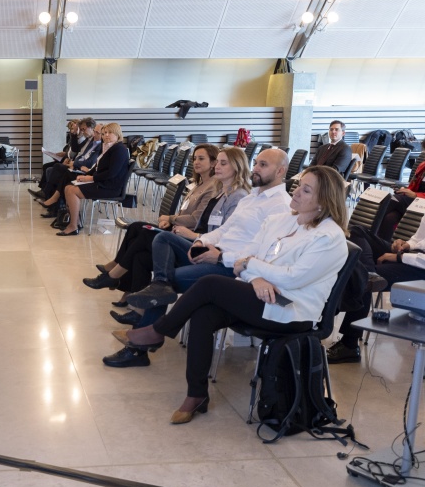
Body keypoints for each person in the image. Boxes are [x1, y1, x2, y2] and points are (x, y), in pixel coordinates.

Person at [119, 166, 349, 423]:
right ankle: (196, 395)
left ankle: (158, 330)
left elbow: (292, 277)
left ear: (324, 201)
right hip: (259, 293)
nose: (296, 192)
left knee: (210, 283)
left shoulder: (330, 238)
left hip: (290, 309)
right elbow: (243, 259)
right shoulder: (281, 220)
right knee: (204, 314)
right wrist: (256, 274)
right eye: (299, 185)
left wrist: (252, 266)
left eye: (306, 190)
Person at [103, 147, 290, 367]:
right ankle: (157, 287)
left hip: (230, 265)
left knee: (169, 279)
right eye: (256, 162)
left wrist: (220, 256)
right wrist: (203, 241)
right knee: (162, 240)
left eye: (263, 165)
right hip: (212, 250)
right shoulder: (251, 198)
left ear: (280, 171)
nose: (255, 169)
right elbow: (224, 229)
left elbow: (260, 251)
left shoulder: (280, 206)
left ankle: (137, 349)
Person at [83, 143, 221, 297]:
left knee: (143, 236)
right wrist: (171, 221)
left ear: (213, 163)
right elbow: (184, 211)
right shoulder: (198, 184)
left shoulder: (212, 188)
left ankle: (114, 276)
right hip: (176, 228)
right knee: (135, 228)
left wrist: (170, 218)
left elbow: (196, 219)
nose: (196, 162)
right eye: (195, 158)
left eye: (201, 159)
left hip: (186, 235)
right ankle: (126, 290)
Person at [327, 215, 425, 364]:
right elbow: (419, 238)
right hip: (411, 255)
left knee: (360, 275)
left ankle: (350, 344)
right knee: (356, 231)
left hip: (419, 266)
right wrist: (406, 245)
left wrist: (400, 257)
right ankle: (370, 274)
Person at [57, 122, 130, 236]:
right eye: (104, 133)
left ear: (117, 134)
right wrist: (87, 175)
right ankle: (76, 222)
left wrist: (91, 178)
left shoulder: (119, 150)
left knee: (72, 191)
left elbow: (112, 173)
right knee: (67, 187)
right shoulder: (107, 147)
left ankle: (73, 226)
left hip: (110, 187)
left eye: (110, 133)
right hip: (102, 183)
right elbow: (97, 166)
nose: (106, 135)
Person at [36, 122, 102, 217]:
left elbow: (89, 161)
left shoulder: (98, 145)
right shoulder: (92, 142)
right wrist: (73, 161)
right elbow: (79, 154)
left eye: (98, 133)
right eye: (95, 132)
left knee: (59, 170)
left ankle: (49, 196)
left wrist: (74, 163)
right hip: (77, 165)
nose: (95, 134)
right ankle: (54, 205)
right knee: (54, 171)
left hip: (84, 170)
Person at [377, 159, 425, 241]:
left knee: (392, 200)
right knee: (390, 218)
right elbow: (413, 187)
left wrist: (415, 195)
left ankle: (369, 236)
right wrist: (405, 190)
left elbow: (414, 193)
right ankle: (381, 248)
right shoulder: (423, 166)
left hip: (421, 201)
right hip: (415, 201)